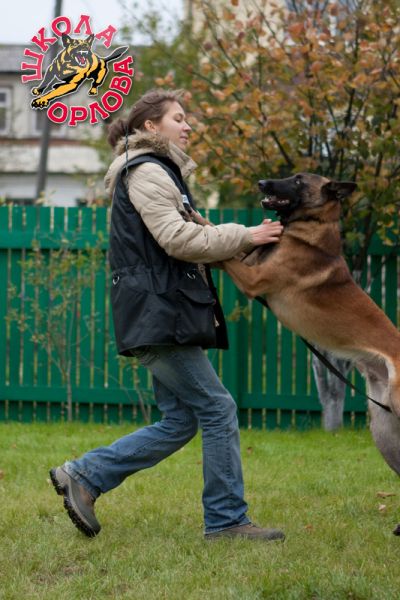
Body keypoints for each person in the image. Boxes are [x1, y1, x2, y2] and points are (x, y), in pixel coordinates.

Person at [49, 89, 284, 541]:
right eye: (178, 118)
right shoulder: (146, 171)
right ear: (150, 126)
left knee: (181, 420)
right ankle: (227, 521)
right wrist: (246, 234)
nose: (188, 125)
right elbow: (176, 239)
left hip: (161, 312)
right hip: (160, 314)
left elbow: (190, 239)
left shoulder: (160, 172)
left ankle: (85, 475)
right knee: (218, 409)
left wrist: (244, 246)